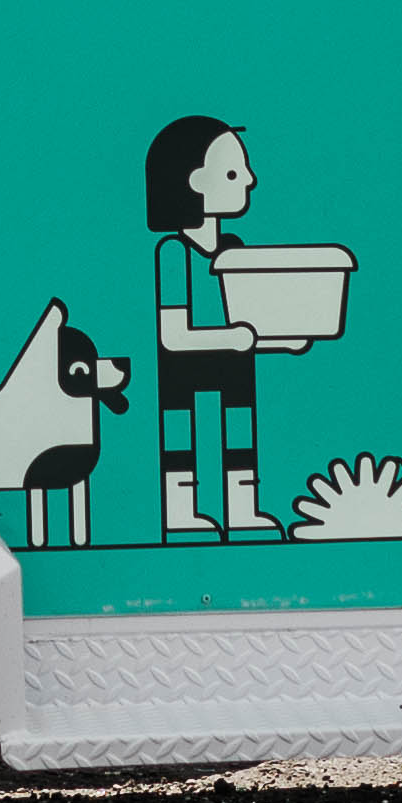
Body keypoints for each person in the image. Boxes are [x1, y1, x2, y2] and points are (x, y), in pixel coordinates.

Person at [144, 115, 275, 538]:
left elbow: (253, 315)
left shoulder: (234, 248)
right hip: (183, 370)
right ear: (196, 180)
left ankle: (242, 511)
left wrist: (279, 336)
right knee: (181, 441)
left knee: (239, 438)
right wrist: (234, 337)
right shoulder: (173, 253)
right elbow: (172, 335)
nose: (251, 180)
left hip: (234, 366)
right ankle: (181, 514)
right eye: (235, 172)